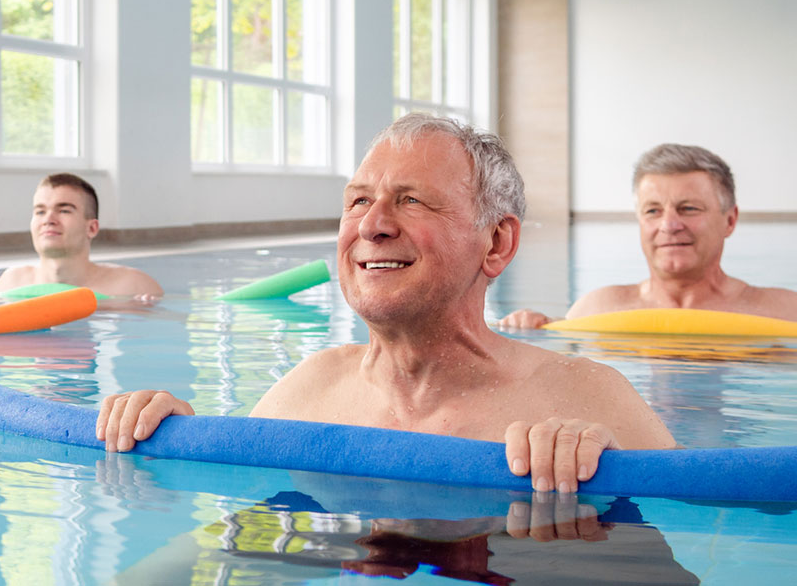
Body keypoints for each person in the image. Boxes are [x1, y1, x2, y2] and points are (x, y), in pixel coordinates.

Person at [96, 114, 676, 493]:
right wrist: (171, 442)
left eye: (412, 201)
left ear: (496, 242)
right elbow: (242, 546)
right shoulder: (309, 390)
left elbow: (705, 533)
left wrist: (603, 496)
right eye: (358, 201)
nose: (372, 226)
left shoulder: (588, 399)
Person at [500, 143, 797, 328]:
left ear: (730, 220)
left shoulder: (783, 312)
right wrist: (528, 331)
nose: (669, 225)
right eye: (653, 211)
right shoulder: (597, 310)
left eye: (689, 208)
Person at [0, 173, 164, 300]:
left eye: (64, 210)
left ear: (92, 228)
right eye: (40, 211)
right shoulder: (12, 283)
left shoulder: (133, 287)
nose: (48, 220)